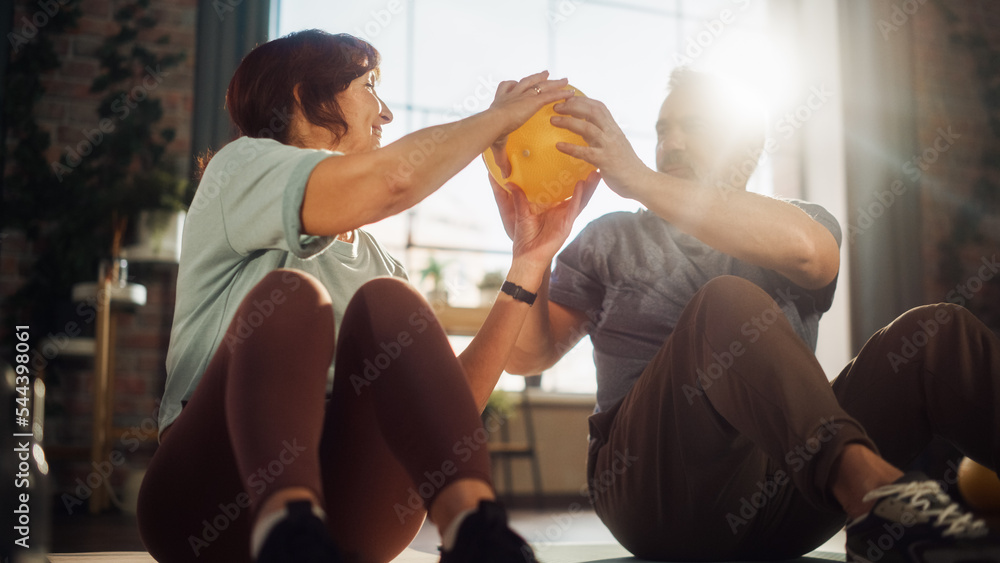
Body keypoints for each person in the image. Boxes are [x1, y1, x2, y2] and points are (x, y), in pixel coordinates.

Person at [136, 29, 600, 563]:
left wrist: (529, 260)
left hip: (353, 516)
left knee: (391, 303)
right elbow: (390, 183)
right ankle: (288, 527)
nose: (385, 114)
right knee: (290, 295)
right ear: (301, 94)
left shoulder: (381, 263)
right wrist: (499, 118)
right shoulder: (239, 168)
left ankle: (476, 530)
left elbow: (445, 410)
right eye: (368, 87)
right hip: (208, 503)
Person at [500, 67, 1000, 563]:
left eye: (691, 127)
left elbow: (811, 252)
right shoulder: (611, 239)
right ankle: (870, 492)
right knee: (725, 305)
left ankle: (867, 494)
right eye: (660, 130)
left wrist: (638, 179)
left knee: (937, 333)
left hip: (787, 496)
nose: (669, 143)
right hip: (655, 497)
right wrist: (532, 256)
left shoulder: (795, 222)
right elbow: (527, 355)